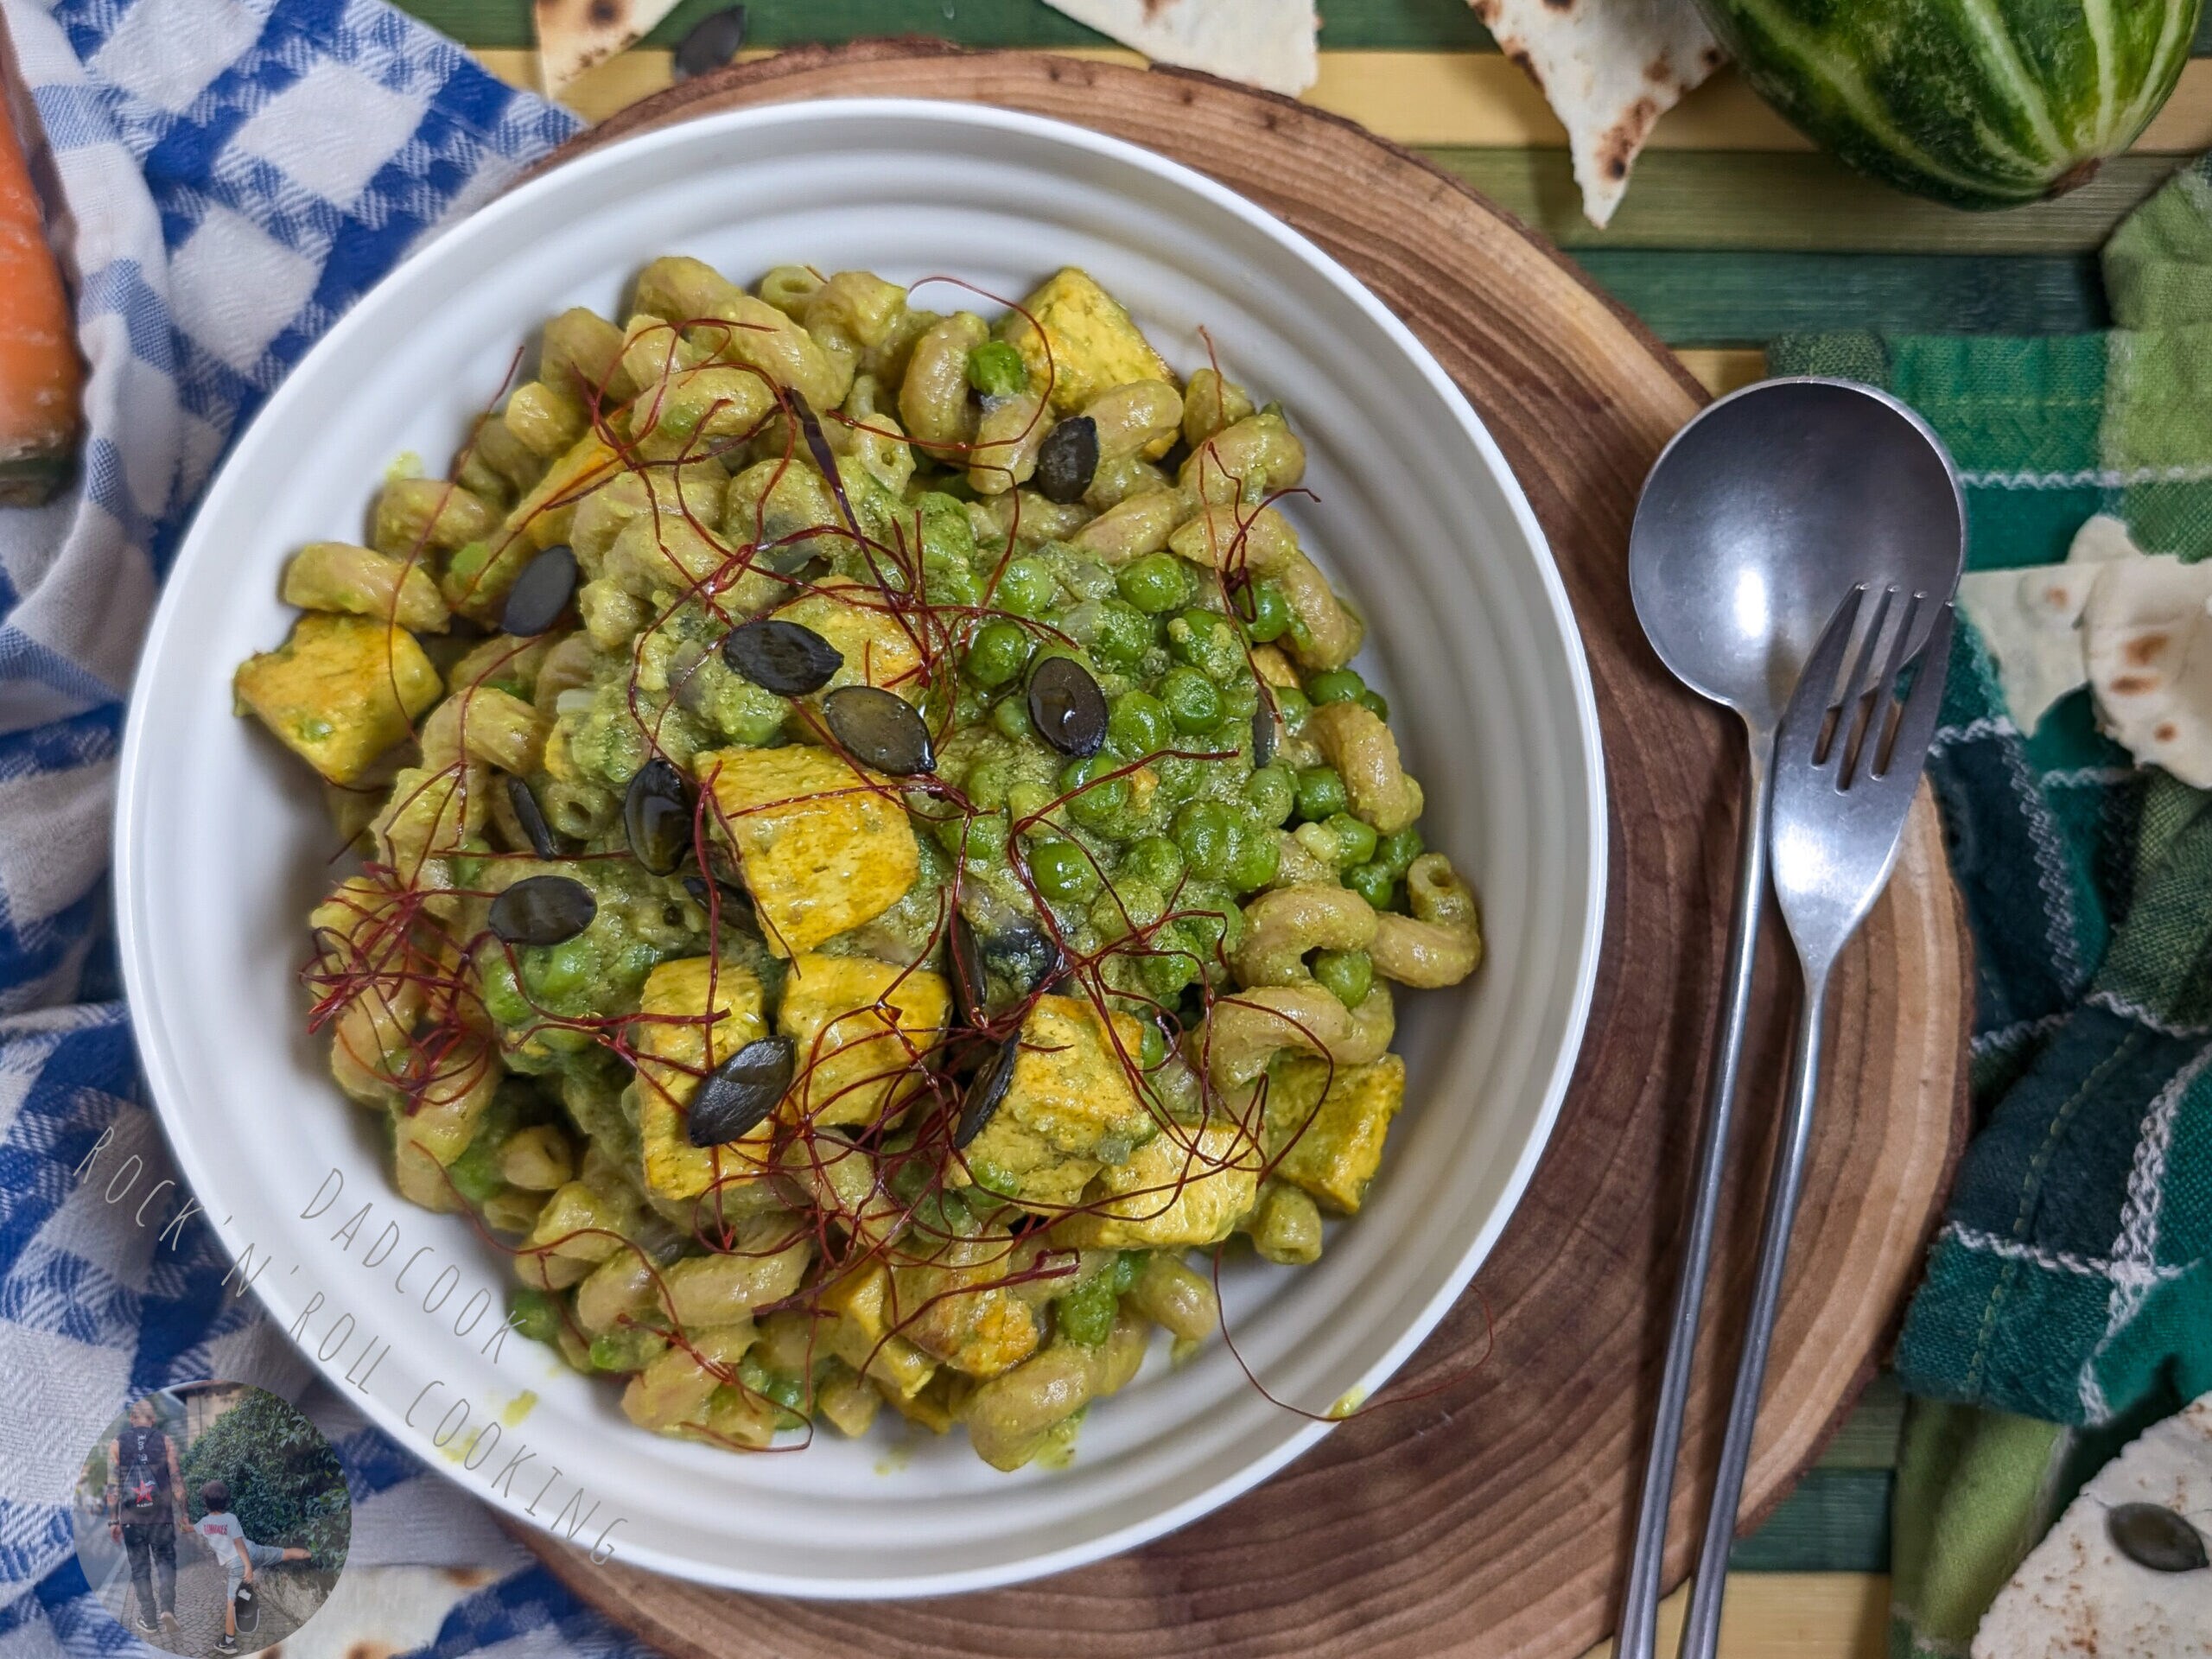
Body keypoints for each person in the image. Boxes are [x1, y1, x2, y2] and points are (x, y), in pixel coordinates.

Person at [191, 1479, 309, 1653]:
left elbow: (237, 1544)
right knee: (285, 1553)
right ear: (226, 1501)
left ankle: (228, 1643)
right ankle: (315, 1555)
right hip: (254, 1550)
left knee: (231, 1601)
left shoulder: (204, 1523)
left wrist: (247, 1566)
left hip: (239, 1563)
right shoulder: (230, 1518)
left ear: (205, 1502)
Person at [105, 1399, 183, 1636]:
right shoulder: (166, 1441)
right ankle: (167, 1610)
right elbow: (177, 1480)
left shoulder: (116, 1444)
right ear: (153, 1419)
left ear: (132, 1419)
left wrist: (114, 1521)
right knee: (166, 1562)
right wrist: (186, 1515)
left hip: (132, 1520)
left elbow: (112, 1487)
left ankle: (149, 1620)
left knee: (140, 1569)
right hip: (162, 1517)